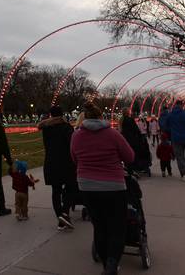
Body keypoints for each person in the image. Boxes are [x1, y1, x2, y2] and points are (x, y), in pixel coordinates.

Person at [71, 103, 135, 275]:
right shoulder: (112, 134)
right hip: (113, 185)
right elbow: (129, 156)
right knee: (117, 227)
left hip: (87, 185)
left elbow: (74, 158)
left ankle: (107, 263)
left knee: (99, 226)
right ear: (101, 117)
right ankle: (112, 264)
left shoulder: (77, 136)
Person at [37, 105, 78, 229]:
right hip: (66, 162)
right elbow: (72, 145)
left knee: (56, 190)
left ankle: (59, 214)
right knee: (70, 187)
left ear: (51, 115)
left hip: (51, 161)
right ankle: (65, 212)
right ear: (62, 114)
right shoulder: (66, 127)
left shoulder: (46, 128)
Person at [165, 100, 185, 181]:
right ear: (181, 105)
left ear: (175, 105)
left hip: (176, 139)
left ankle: (184, 175)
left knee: (180, 157)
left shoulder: (170, 115)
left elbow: (166, 126)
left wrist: (172, 131)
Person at [121, 111, 152, 175]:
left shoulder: (122, 121)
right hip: (134, 140)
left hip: (126, 140)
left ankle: (130, 168)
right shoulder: (130, 120)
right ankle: (139, 167)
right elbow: (136, 129)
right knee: (137, 153)